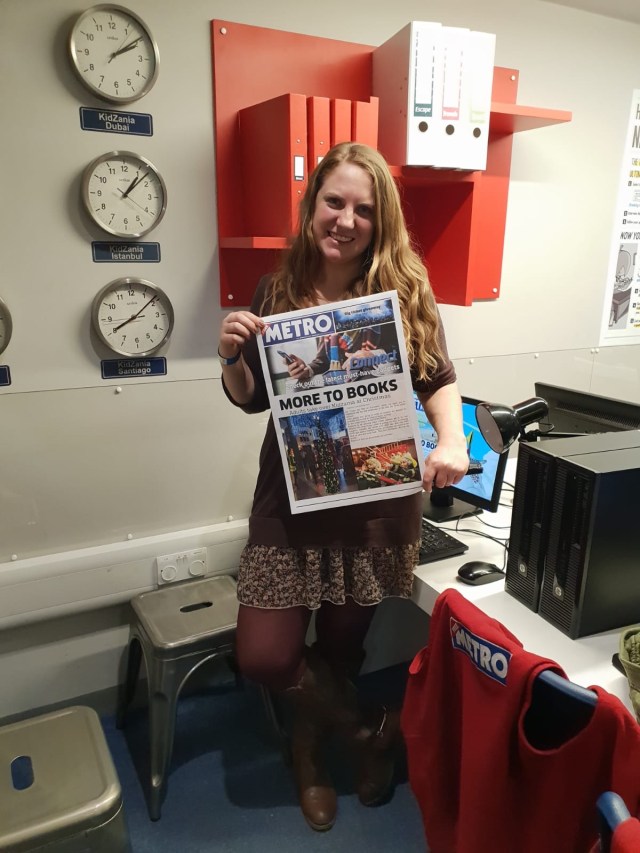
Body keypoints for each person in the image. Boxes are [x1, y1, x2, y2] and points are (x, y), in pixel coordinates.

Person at [218, 142, 469, 832]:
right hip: (292, 499)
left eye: (363, 208)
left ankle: (309, 758)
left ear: (380, 219)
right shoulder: (276, 290)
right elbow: (250, 398)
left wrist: (450, 440)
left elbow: (438, 379)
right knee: (266, 655)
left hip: (373, 503)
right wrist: (233, 355)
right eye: (334, 201)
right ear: (312, 206)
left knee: (338, 648)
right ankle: (370, 728)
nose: (346, 219)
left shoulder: (405, 291)